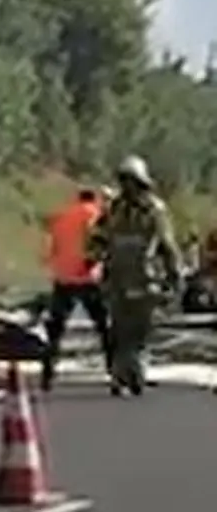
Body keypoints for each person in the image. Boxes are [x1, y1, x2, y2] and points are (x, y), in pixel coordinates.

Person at [87, 155, 182, 396]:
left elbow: (167, 245)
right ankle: (123, 372)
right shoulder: (114, 209)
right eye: (124, 181)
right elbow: (97, 239)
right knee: (120, 327)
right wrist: (93, 259)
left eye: (131, 181)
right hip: (119, 277)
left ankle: (131, 370)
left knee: (138, 327)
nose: (127, 186)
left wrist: (174, 274)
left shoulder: (153, 210)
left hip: (143, 277)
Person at [40, 186, 110, 391]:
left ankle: (47, 374)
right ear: (94, 199)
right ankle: (115, 372)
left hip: (63, 278)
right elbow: (102, 244)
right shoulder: (95, 215)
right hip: (88, 278)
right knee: (104, 326)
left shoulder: (62, 217)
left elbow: (51, 248)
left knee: (55, 329)